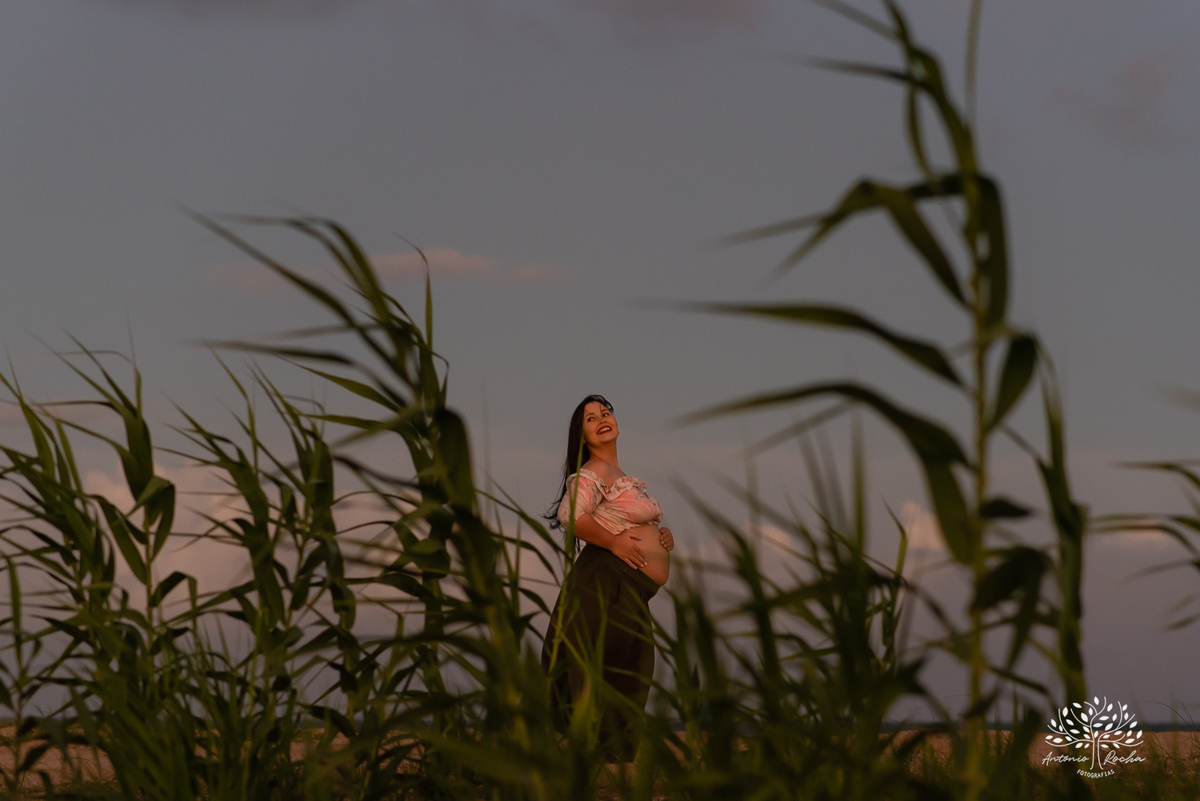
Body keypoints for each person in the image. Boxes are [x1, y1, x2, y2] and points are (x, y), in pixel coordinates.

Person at [541, 394, 674, 761]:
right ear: (582, 437)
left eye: (606, 412)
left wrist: (662, 537)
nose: (601, 418)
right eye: (590, 418)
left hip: (632, 588)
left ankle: (606, 762)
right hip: (607, 579)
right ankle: (581, 756)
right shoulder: (593, 473)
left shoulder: (622, 477)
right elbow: (571, 516)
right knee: (598, 665)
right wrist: (614, 542)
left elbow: (635, 519)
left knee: (632, 668)